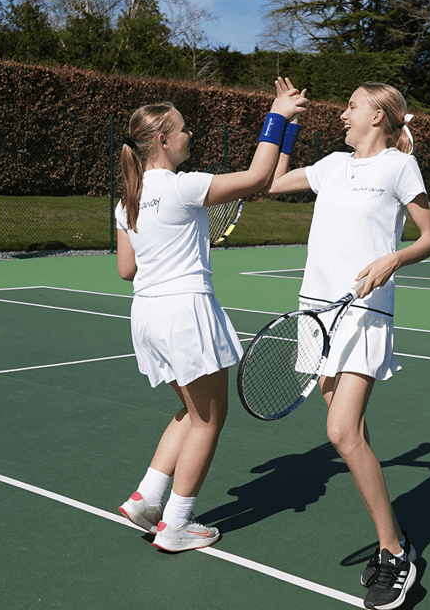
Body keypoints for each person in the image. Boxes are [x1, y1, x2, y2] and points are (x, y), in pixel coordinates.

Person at [267, 82, 430, 610]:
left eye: (352, 106)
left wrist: (393, 259)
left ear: (379, 117)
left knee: (341, 431)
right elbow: (273, 183)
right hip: (315, 310)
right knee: (354, 433)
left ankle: (395, 554)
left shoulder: (398, 167)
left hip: (364, 313)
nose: (342, 114)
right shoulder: (331, 165)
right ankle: (399, 540)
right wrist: (288, 121)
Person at [115, 80, 306, 552]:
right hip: (185, 312)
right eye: (183, 130)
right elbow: (261, 178)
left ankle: (147, 498)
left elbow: (126, 269)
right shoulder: (184, 187)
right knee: (208, 421)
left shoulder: (127, 200)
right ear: (161, 138)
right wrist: (278, 117)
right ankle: (177, 525)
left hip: (147, 316)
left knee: (191, 411)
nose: (190, 136)